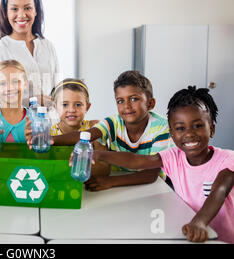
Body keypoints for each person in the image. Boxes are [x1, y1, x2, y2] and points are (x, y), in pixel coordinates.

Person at [87, 86, 233, 243]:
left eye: (197, 126)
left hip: (222, 237)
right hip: (188, 233)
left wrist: (200, 222)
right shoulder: (173, 157)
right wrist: (99, 154)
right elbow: (137, 160)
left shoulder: (227, 160)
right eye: (180, 128)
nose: (189, 133)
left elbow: (219, 191)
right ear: (172, 134)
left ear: (211, 129)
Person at [27, 70, 173, 191]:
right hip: (120, 181)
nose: (127, 106)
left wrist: (110, 181)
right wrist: (51, 140)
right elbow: (86, 135)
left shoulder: (161, 128)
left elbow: (151, 174)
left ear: (150, 103)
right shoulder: (113, 122)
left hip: (150, 188)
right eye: (120, 101)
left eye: (134, 99)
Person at [0, 0, 60, 109]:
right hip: (14, 127)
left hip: (49, 126)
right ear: (6, 12)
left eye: (28, 8)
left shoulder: (48, 47)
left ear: (36, 11)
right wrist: (30, 101)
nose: (22, 15)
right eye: (14, 9)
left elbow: (56, 91)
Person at [49, 78, 110, 177]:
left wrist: (76, 171)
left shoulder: (94, 128)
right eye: (65, 104)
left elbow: (105, 168)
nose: (72, 110)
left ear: (87, 107)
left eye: (78, 104)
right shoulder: (49, 134)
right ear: (55, 106)